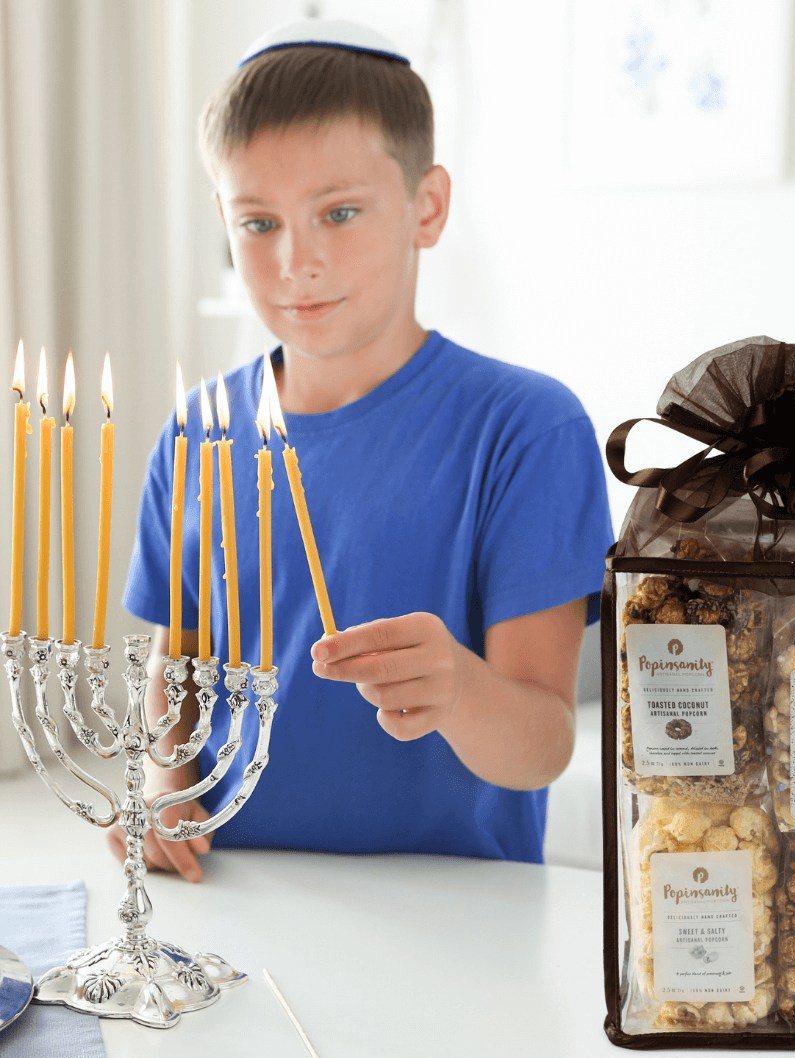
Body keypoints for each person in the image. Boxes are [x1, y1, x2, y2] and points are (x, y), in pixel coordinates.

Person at [109, 20, 612, 882]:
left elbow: (542, 747)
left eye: (339, 212)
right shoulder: (196, 429)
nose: (296, 261)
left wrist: (458, 684)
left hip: (455, 916)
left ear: (428, 206)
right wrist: (164, 781)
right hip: (237, 894)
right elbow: (176, 670)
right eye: (258, 222)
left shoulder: (528, 430)